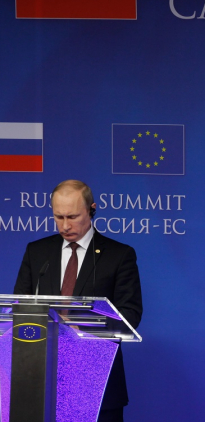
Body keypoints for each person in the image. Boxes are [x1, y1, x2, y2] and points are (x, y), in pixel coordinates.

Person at [14, 179, 143, 422]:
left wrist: (80, 326)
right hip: (40, 378)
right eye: (58, 217)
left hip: (95, 378)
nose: (64, 226)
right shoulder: (37, 252)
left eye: (72, 217)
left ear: (92, 209)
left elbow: (130, 314)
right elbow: (20, 307)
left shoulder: (119, 255)